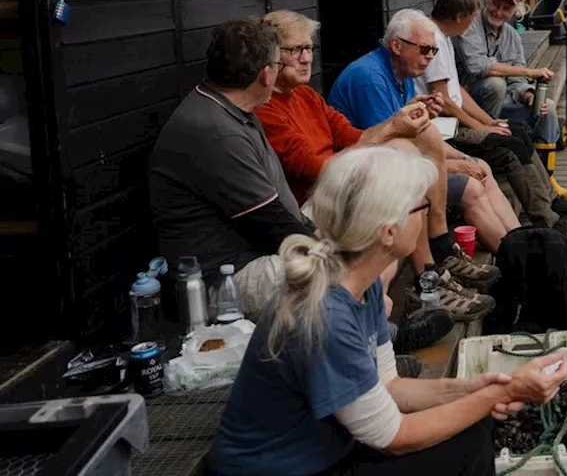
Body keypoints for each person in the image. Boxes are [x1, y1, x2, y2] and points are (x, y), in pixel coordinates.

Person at [207, 146, 567, 476]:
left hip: (324, 450)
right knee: (467, 444)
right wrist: (498, 395)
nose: (427, 213)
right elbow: (395, 436)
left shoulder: (360, 287)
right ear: (389, 233)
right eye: (420, 207)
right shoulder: (326, 314)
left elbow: (390, 387)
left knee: (471, 429)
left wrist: (475, 389)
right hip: (279, 470)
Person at [149, 18, 451, 357]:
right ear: (266, 74)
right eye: (284, 60)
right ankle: (381, 344)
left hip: (263, 243)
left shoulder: (232, 110)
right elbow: (273, 225)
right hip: (227, 279)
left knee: (378, 219)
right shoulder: (217, 131)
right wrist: (338, 247)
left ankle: (381, 325)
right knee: (354, 259)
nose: (299, 62)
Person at [257, 10, 510, 321]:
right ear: (270, 57)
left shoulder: (306, 96)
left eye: (309, 48)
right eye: (295, 50)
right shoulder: (269, 109)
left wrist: (401, 121)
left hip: (339, 183)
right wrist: (395, 128)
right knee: (407, 171)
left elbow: (352, 135)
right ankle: (433, 273)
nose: (306, 58)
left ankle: (441, 262)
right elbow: (317, 169)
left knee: (419, 143)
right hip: (315, 205)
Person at [399, 0, 567, 246]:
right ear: (460, 18)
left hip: (454, 123)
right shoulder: (432, 41)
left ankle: (551, 201)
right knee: (509, 146)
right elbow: (445, 101)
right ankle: (547, 221)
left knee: (517, 133)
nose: (472, 24)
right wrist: (481, 127)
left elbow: (457, 91)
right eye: (471, 18)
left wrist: (489, 121)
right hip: (446, 130)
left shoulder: (441, 38)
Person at [452, 0, 567, 202]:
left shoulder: (511, 35)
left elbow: (517, 81)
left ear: (515, 10)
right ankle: (490, 151)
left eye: (506, 8)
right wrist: (529, 71)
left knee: (546, 109)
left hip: (502, 105)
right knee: (495, 84)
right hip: (468, 107)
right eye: (495, 4)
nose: (499, 12)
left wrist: (528, 96)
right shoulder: (468, 27)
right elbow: (478, 67)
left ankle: (548, 180)